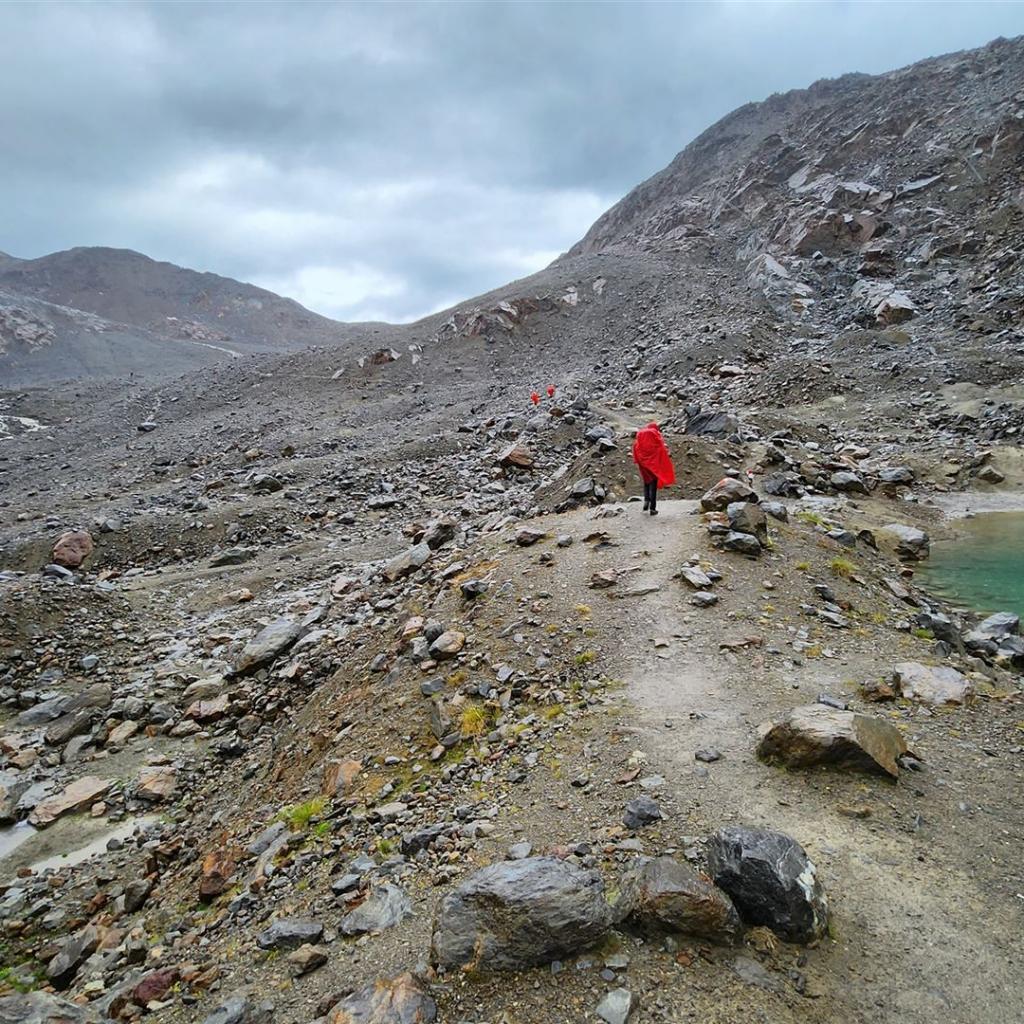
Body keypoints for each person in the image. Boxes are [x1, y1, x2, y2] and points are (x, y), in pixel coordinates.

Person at [632, 422, 675, 515]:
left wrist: (639, 461)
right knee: (653, 485)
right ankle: (652, 508)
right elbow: (662, 452)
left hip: (643, 465)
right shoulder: (656, 439)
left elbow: (635, 450)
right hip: (653, 465)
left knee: (646, 482)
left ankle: (646, 502)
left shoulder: (639, 439)